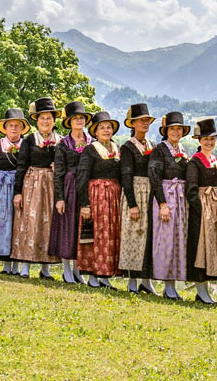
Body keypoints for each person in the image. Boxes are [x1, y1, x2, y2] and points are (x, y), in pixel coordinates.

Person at [10, 97, 61, 279]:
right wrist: (17, 192)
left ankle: (45, 269)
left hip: (52, 185)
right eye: (42, 118)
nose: (45, 121)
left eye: (48, 118)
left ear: (54, 120)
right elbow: (21, 166)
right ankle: (25, 266)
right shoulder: (30, 140)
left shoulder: (60, 141)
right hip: (32, 184)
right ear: (36, 121)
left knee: (49, 224)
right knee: (29, 223)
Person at [76, 110, 123, 287]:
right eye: (101, 127)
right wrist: (84, 203)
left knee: (111, 234)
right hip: (96, 195)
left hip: (113, 196)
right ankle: (93, 275)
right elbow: (82, 176)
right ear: (95, 131)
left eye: (108, 127)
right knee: (96, 234)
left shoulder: (116, 148)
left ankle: (106, 274)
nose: (105, 130)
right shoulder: (90, 150)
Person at [149, 111, 191, 299]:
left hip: (180, 199)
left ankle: (173, 284)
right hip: (166, 196)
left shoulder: (182, 149)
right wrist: (163, 203)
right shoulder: (160, 150)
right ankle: (167, 283)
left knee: (177, 241)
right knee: (165, 240)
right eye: (172, 128)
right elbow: (154, 177)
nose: (176, 132)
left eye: (179, 129)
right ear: (166, 131)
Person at [0, 108, 30, 274]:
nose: (14, 128)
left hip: (21, 188)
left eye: (17, 125)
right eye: (11, 125)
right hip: (0, 189)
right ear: (5, 127)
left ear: (22, 128)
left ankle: (16, 265)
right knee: (3, 224)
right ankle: (5, 265)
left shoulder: (27, 145)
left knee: (19, 225)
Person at [51, 101, 92, 283]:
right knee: (67, 227)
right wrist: (59, 197)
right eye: (75, 118)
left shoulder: (92, 142)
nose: (79, 121)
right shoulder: (62, 145)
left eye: (82, 118)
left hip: (87, 187)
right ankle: (67, 268)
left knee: (81, 228)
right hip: (69, 187)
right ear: (69, 121)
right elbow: (58, 172)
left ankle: (78, 269)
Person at [117, 103, 156, 293]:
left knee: (148, 236)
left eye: (147, 120)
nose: (145, 123)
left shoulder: (151, 145)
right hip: (134, 191)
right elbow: (125, 175)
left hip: (149, 194)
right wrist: (131, 203)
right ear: (132, 123)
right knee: (132, 234)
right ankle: (132, 280)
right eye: (141, 120)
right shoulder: (127, 147)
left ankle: (146, 280)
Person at [187, 118, 217, 304]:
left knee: (211, 248)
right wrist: (201, 210)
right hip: (201, 211)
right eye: (205, 139)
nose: (209, 142)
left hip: (214, 208)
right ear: (199, 141)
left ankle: (205, 291)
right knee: (199, 248)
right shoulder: (195, 162)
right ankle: (201, 290)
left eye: (212, 139)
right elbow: (191, 189)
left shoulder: (214, 160)